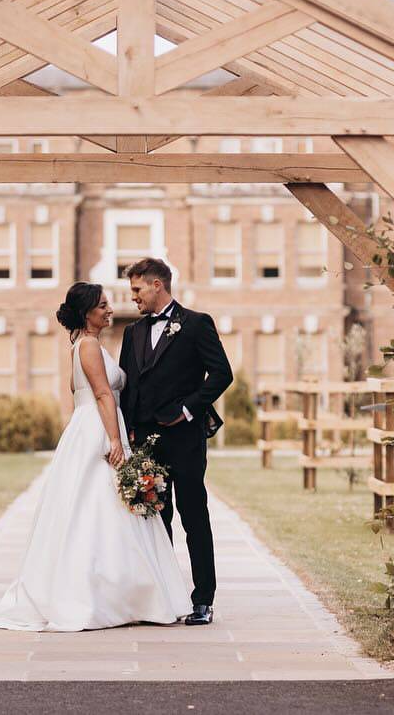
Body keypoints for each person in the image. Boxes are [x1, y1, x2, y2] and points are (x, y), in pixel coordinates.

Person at [0, 282, 191, 631]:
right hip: (99, 429)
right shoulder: (89, 346)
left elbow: (80, 392)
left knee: (105, 508)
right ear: (86, 312)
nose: (110, 310)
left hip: (93, 424)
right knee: (103, 507)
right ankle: (109, 596)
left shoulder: (82, 345)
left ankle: (125, 594)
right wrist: (115, 440)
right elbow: (103, 394)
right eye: (103, 305)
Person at [118, 258, 233, 626]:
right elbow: (128, 388)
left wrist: (187, 409)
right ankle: (165, 597)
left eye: (137, 289)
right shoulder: (132, 332)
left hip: (185, 438)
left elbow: (222, 373)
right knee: (154, 518)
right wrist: (128, 432)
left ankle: (203, 600)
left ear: (157, 285)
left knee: (193, 515)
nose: (133, 296)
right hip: (145, 442)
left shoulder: (197, 324)